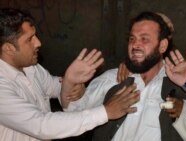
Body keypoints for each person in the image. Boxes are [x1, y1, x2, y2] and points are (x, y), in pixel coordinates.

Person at [0, 8, 139, 141]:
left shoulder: (31, 68)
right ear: (9, 48)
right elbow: (41, 125)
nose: (38, 42)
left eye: (35, 35)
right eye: (29, 39)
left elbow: (54, 86)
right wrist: (106, 112)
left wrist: (70, 80)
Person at [65, 11, 186, 141]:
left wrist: (185, 113)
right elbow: (72, 111)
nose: (135, 45)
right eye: (132, 39)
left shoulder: (181, 85)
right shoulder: (114, 78)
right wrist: (69, 82)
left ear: (163, 45)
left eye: (144, 39)